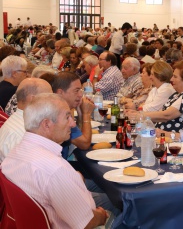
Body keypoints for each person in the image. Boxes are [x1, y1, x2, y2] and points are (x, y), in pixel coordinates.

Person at [1, 94, 108, 228]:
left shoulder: (15, 153)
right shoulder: (55, 168)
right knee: (120, 204)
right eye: (67, 117)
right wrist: (101, 216)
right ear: (46, 124)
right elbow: (85, 223)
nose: (73, 123)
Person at [134, 61, 183, 132]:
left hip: (172, 138)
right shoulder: (176, 95)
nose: (171, 79)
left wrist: (139, 116)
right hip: (160, 134)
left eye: (175, 77)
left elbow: (166, 115)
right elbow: (159, 113)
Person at [0, 78, 53, 162]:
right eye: (49, 97)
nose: (53, 101)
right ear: (33, 99)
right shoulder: (25, 134)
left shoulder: (19, 122)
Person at [53, 71, 94, 159]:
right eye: (76, 91)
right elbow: (84, 143)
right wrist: (86, 114)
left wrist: (80, 114)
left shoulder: (61, 107)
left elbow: (78, 133)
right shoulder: (58, 113)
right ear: (60, 93)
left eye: (80, 90)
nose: (80, 95)